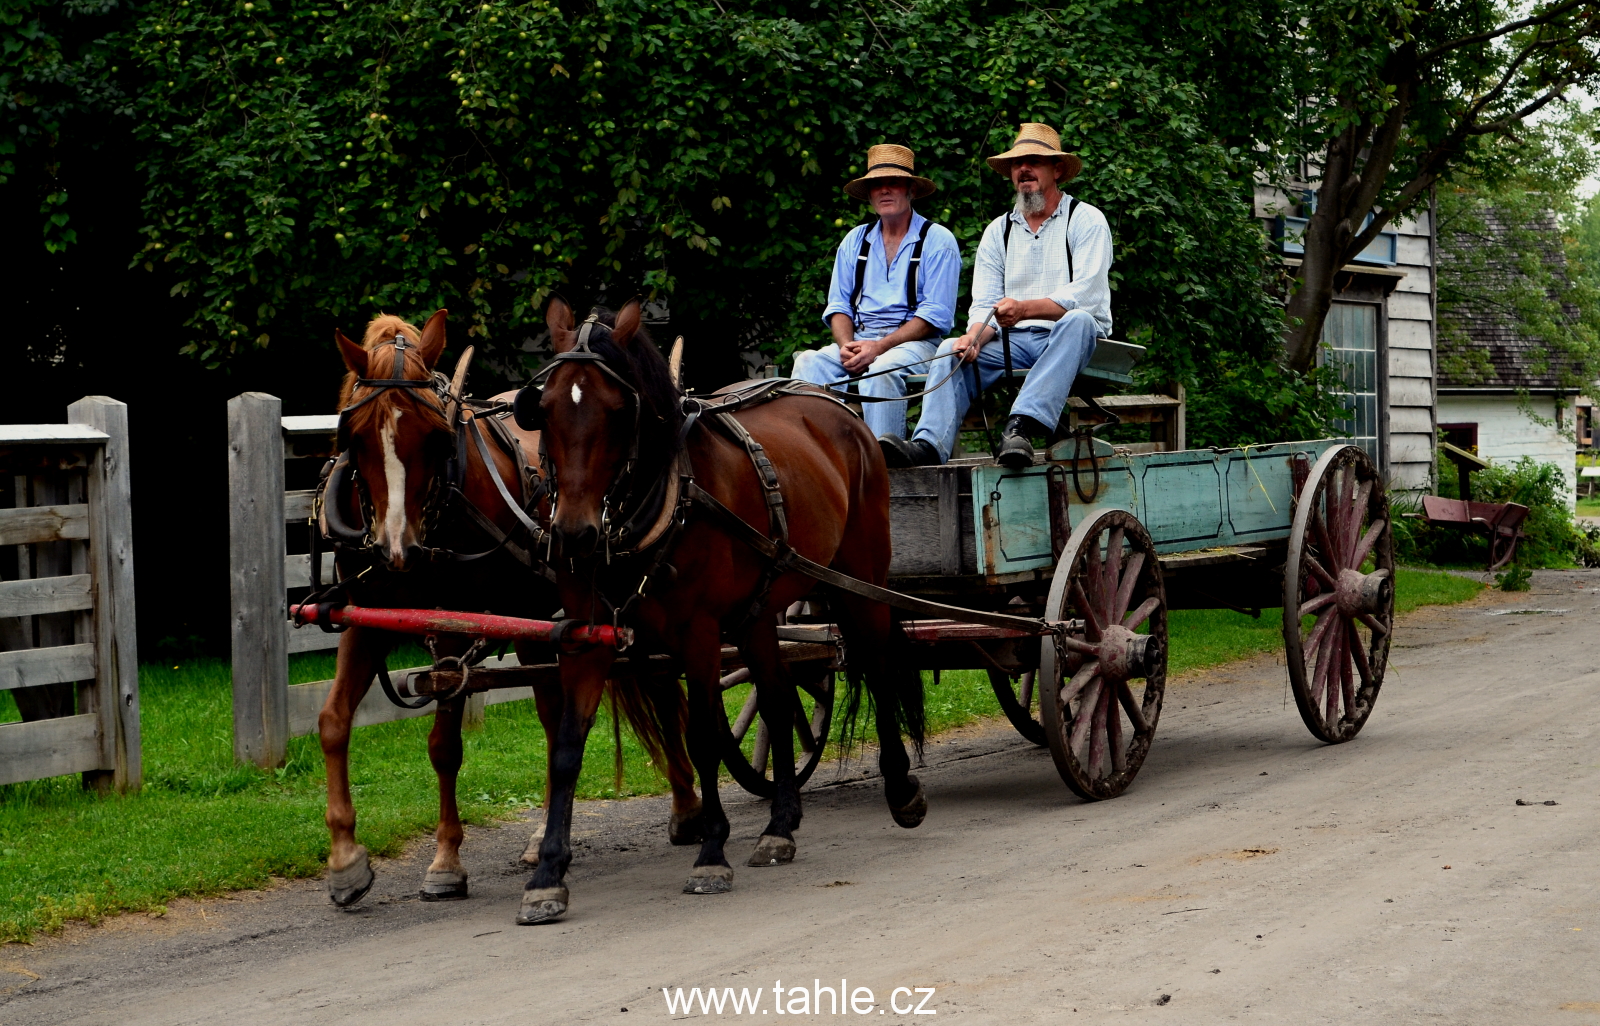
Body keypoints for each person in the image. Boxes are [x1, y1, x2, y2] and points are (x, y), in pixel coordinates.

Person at [879, 124, 1113, 470]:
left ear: (1057, 170)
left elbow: (1087, 296)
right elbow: (985, 302)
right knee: (949, 348)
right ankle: (928, 445)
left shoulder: (1086, 220)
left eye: (1034, 162)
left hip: (1073, 339)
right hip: (1012, 342)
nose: (1024, 170)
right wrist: (973, 338)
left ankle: (1020, 426)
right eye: (1017, 165)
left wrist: (1024, 308)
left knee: (1078, 320)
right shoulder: (998, 231)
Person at [791, 144, 960, 439]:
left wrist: (879, 348)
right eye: (877, 185)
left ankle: (883, 462)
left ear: (910, 190)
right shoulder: (855, 240)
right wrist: (847, 346)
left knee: (880, 372)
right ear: (869, 194)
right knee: (808, 362)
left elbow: (935, 316)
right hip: (860, 339)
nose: (885, 191)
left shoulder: (938, 240)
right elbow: (839, 306)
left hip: (915, 345)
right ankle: (818, 458)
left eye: (893, 183)